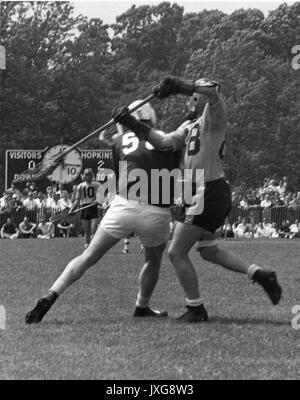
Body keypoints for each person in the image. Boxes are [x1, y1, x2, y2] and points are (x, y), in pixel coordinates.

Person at [113, 75, 282, 322]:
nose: (190, 99)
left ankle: (196, 308)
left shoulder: (214, 114)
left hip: (208, 189)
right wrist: (132, 124)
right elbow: (162, 141)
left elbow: (214, 90)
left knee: (176, 252)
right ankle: (259, 274)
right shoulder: (189, 126)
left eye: (195, 95)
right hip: (197, 191)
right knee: (209, 251)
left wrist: (180, 86)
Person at [25, 101, 180, 324]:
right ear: (151, 116)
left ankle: (51, 294)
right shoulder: (166, 137)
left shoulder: (119, 142)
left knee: (87, 256)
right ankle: (142, 305)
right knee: (153, 260)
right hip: (156, 211)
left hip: (124, 204)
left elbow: (121, 170)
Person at [69, 169, 101, 249]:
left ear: (91, 176)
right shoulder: (80, 186)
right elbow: (77, 200)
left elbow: (102, 195)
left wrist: (98, 200)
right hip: (84, 208)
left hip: (93, 207)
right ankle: (87, 245)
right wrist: (72, 209)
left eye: (88, 174)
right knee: (87, 231)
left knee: (94, 229)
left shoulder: (97, 185)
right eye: (85, 174)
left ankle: (93, 246)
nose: (86, 176)